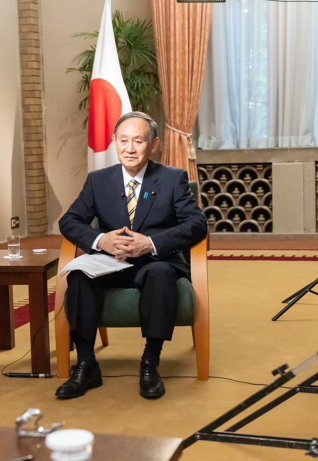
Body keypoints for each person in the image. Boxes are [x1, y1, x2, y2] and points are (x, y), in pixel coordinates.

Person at [56, 111, 207, 401]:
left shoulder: (173, 178)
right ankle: (86, 364)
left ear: (154, 144)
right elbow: (70, 221)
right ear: (114, 142)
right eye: (123, 140)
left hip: (154, 262)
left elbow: (197, 224)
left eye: (138, 141)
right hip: (109, 262)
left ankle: (150, 362)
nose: (130, 148)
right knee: (78, 275)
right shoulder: (98, 181)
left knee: (161, 274)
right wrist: (101, 239)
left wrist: (150, 243)